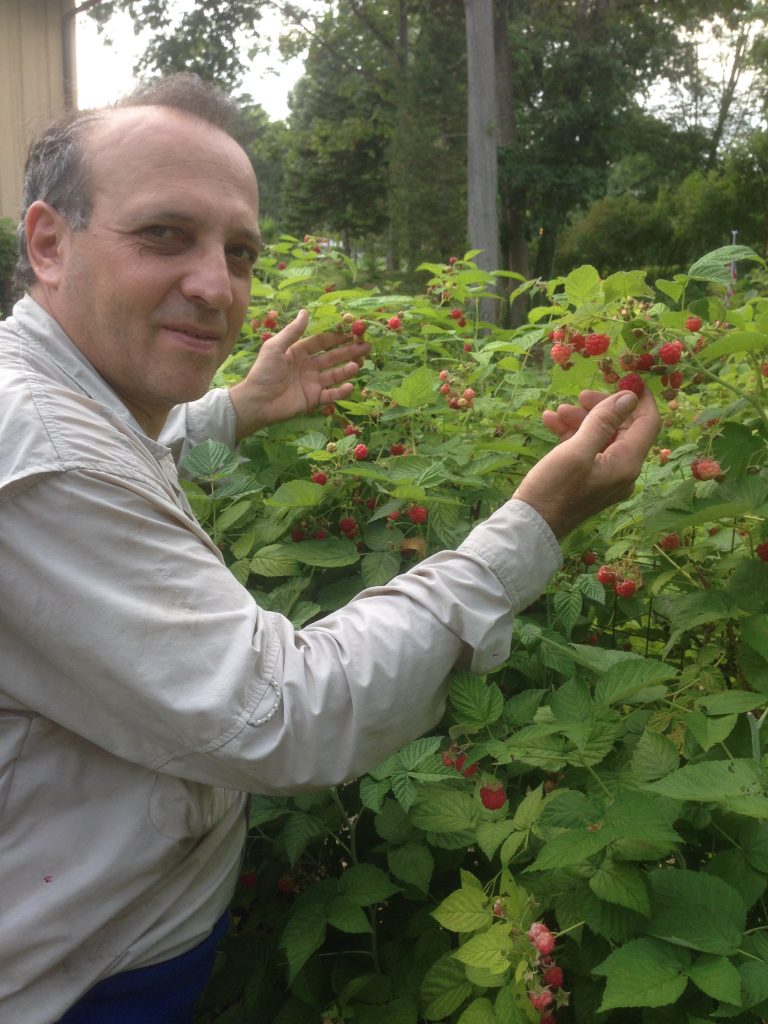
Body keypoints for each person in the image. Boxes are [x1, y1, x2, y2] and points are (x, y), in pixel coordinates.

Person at [0, 74, 660, 1024]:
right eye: (164, 236)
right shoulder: (45, 459)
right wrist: (533, 526)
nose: (214, 285)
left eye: (239, 252)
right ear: (49, 244)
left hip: (108, 943)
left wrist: (233, 410)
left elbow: (123, 445)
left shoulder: (60, 402)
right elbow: (285, 712)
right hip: (74, 992)